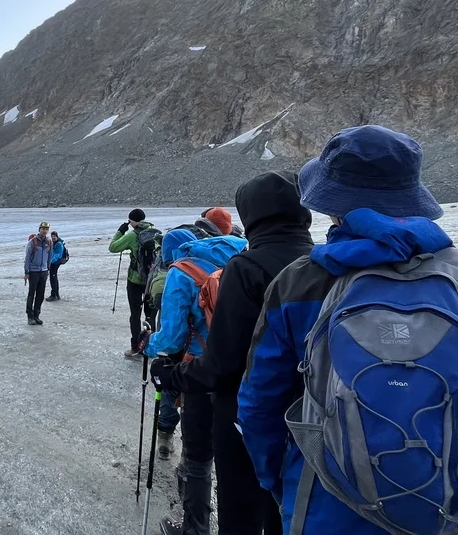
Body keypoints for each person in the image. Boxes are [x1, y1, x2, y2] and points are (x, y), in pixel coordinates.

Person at [238, 125, 458, 534]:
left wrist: (284, 486)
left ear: (333, 207)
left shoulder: (298, 287)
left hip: (326, 512)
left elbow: (258, 407)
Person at [152, 172, 313, 535]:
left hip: (245, 410)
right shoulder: (321, 261)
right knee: (286, 503)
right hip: (309, 410)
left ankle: (195, 525)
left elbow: (222, 363)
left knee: (239, 506)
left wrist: (171, 375)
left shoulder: (247, 268)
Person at [147, 228, 247, 535]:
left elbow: (172, 336)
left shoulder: (181, 272)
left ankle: (195, 526)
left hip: (200, 369)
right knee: (233, 450)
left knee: (198, 452)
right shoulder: (240, 257)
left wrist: (148, 344)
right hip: (244, 366)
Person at [108, 208, 158, 357]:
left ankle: (135, 347)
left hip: (135, 280)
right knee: (150, 315)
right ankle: (151, 346)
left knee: (135, 314)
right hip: (152, 280)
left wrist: (120, 232)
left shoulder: (132, 235)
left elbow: (113, 247)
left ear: (132, 221)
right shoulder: (155, 232)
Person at [23, 221, 53, 325]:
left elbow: (49, 256)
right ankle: (30, 316)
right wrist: (26, 271)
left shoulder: (49, 242)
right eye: (43, 229)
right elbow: (27, 257)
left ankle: (37, 315)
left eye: (46, 229)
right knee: (31, 294)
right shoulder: (32, 242)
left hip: (43, 271)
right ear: (39, 229)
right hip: (33, 271)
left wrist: (48, 268)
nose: (45, 231)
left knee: (40, 294)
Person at [47, 231, 66, 302]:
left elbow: (58, 255)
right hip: (53, 262)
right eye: (52, 236)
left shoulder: (59, 244)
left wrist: (51, 261)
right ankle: (56, 295)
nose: (53, 238)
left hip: (55, 263)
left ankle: (54, 295)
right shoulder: (54, 243)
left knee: (53, 278)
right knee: (53, 278)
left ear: (57, 237)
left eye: (54, 236)